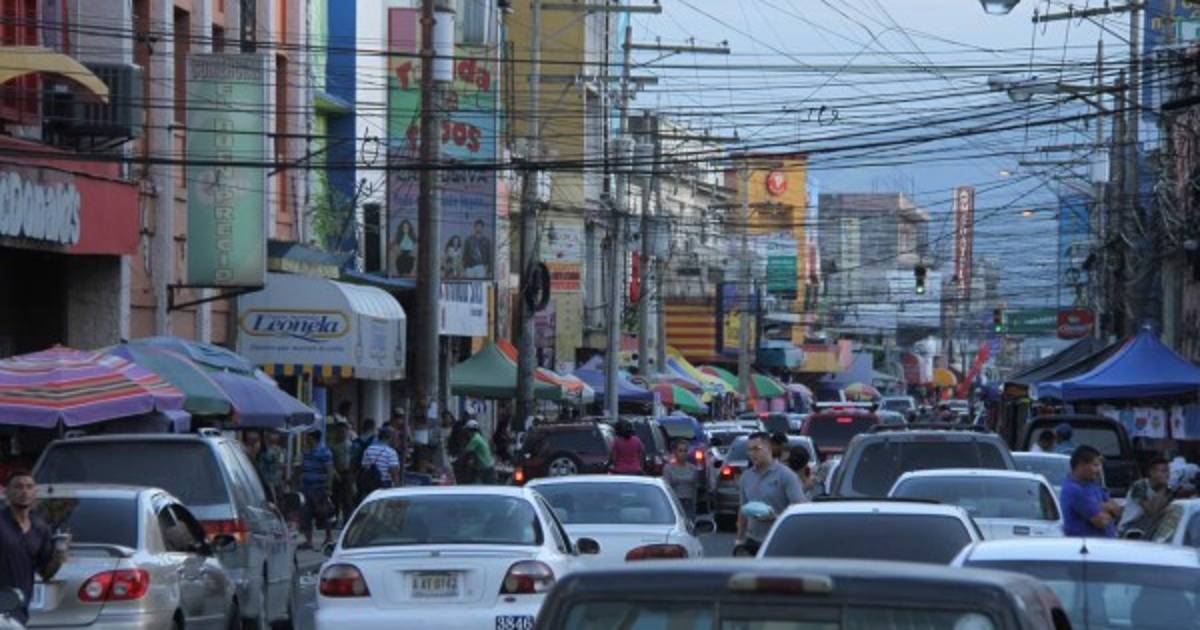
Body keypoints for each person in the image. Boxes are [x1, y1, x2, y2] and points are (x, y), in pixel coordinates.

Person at [0, 471, 68, 625]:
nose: (24, 491)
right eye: (18, 487)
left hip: (19, 611)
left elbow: (46, 573)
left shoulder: (40, 528)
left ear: (35, 493)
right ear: (6, 492)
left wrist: (60, 553)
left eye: (29, 487)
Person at [736, 432, 807, 555]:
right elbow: (743, 510)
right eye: (749, 450)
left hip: (779, 541)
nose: (752, 454)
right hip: (752, 541)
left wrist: (775, 517)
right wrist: (739, 540)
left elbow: (800, 511)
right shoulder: (746, 477)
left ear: (769, 449)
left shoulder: (786, 476)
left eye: (756, 449)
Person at [1061, 445, 1122, 538]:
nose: (1099, 470)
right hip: (1088, 544)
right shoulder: (1074, 490)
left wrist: (1099, 507)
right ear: (1081, 465)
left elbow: (1117, 509)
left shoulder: (1093, 485)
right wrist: (1106, 508)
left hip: (1107, 543)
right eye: (1095, 465)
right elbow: (1101, 522)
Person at [297, 431, 334, 549]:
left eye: (308, 437)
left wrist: (328, 487)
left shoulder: (324, 452)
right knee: (306, 513)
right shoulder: (306, 451)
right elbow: (301, 467)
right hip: (306, 486)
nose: (306, 439)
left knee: (323, 512)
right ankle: (308, 540)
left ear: (314, 438)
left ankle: (328, 537)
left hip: (320, 487)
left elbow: (330, 470)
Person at [1120, 456, 1174, 538]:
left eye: (1167, 471)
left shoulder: (1168, 490)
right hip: (1130, 527)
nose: (1166, 475)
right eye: (1163, 471)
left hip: (1149, 529)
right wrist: (1162, 490)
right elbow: (1152, 512)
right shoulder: (1140, 486)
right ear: (1152, 472)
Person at [359, 426, 402, 501]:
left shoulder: (369, 449)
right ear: (390, 438)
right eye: (395, 437)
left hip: (368, 484)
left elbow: (364, 466)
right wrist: (398, 489)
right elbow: (394, 473)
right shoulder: (391, 452)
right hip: (384, 484)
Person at [663, 439, 701, 520]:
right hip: (675, 502)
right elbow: (666, 488)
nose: (683, 453)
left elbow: (695, 488)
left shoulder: (693, 469)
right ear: (675, 452)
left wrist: (694, 505)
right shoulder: (668, 468)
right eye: (680, 451)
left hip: (689, 502)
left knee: (689, 523)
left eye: (685, 451)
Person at [327, 419, 355, 525]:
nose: (341, 434)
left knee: (347, 498)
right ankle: (334, 519)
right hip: (336, 473)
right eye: (339, 431)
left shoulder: (350, 445)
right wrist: (335, 473)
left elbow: (353, 461)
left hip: (348, 473)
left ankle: (347, 521)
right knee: (335, 498)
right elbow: (330, 462)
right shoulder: (332, 446)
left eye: (343, 431)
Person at [457, 420, 497, 484]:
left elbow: (466, 452)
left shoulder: (475, 439)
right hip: (485, 466)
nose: (466, 433)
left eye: (467, 430)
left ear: (470, 430)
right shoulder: (479, 437)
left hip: (485, 467)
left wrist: (457, 459)